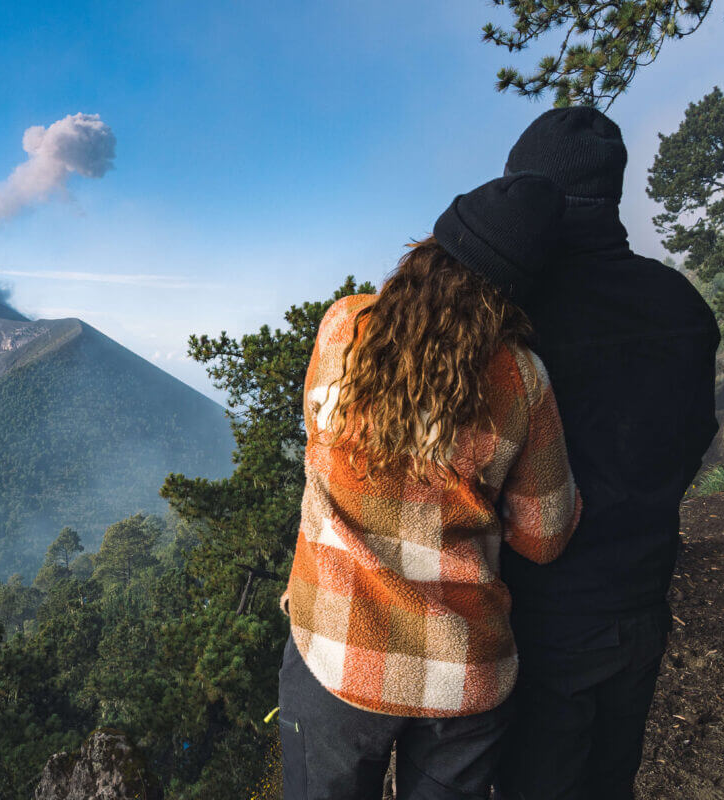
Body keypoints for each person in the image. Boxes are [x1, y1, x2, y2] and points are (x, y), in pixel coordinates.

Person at [277, 172, 583, 800]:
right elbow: (544, 537)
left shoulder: (345, 327)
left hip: (336, 649)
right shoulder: (521, 377)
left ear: (429, 248)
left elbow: (315, 434)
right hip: (461, 672)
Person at [495, 108, 721, 800]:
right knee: (610, 781)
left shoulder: (521, 315)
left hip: (544, 625)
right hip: (642, 602)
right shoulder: (684, 308)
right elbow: (693, 442)